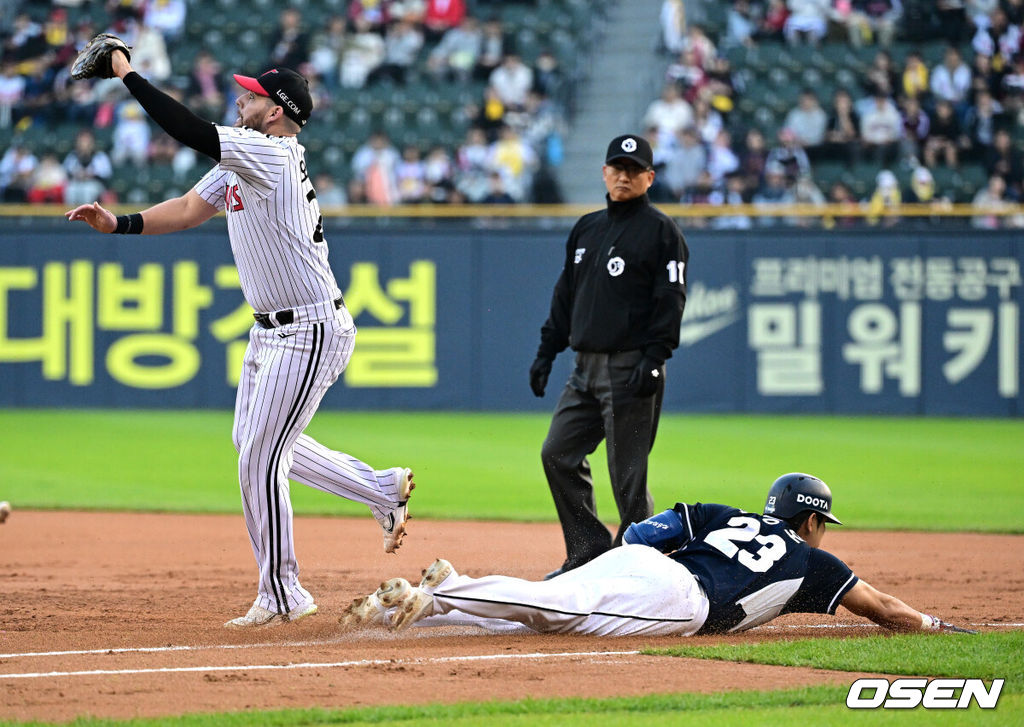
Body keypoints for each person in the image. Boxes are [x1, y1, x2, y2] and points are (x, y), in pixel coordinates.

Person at [64, 45, 416, 628]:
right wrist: (119, 223)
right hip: (273, 329)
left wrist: (126, 73)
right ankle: (380, 489)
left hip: (308, 327)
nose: (240, 99)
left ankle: (283, 593)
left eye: (251, 95)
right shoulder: (247, 157)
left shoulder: (271, 155)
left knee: (260, 455)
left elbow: (189, 129)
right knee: (257, 444)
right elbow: (184, 208)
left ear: (275, 111)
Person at [341, 473, 977, 637]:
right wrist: (935, 626)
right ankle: (443, 592)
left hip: (647, 565)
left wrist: (617, 560)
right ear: (811, 519)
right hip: (681, 602)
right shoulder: (816, 564)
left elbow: (651, 528)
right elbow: (885, 608)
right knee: (559, 611)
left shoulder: (731, 514)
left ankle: (434, 603)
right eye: (822, 522)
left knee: (557, 607)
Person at [528, 134, 689, 580]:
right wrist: (547, 350)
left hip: (631, 366)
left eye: (634, 169)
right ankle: (589, 550)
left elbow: (671, 299)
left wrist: (655, 357)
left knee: (628, 477)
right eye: (617, 167)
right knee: (557, 453)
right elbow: (566, 295)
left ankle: (640, 572)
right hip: (584, 369)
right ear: (604, 172)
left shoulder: (661, 232)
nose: (624, 175)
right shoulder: (587, 228)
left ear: (650, 178)